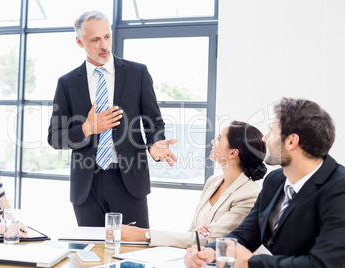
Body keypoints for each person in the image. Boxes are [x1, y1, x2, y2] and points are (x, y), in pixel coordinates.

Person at [47, 10, 177, 228]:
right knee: (93, 256)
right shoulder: (67, 83)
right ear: (79, 42)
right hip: (87, 187)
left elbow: (153, 120)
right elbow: (54, 138)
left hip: (129, 181)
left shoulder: (138, 73)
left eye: (107, 36)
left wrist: (154, 143)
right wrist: (87, 129)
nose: (104, 45)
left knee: (133, 254)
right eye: (95, 40)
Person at [184, 97, 345, 268]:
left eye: (272, 133)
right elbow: (247, 234)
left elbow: (325, 263)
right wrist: (211, 252)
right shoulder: (275, 180)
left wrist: (251, 262)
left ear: (291, 141)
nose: (265, 139)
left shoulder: (339, 189)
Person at [121, 121, 267, 248]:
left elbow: (209, 239)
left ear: (233, 153)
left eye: (219, 139)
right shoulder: (213, 182)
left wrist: (144, 234)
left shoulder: (249, 194)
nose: (212, 142)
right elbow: (194, 233)